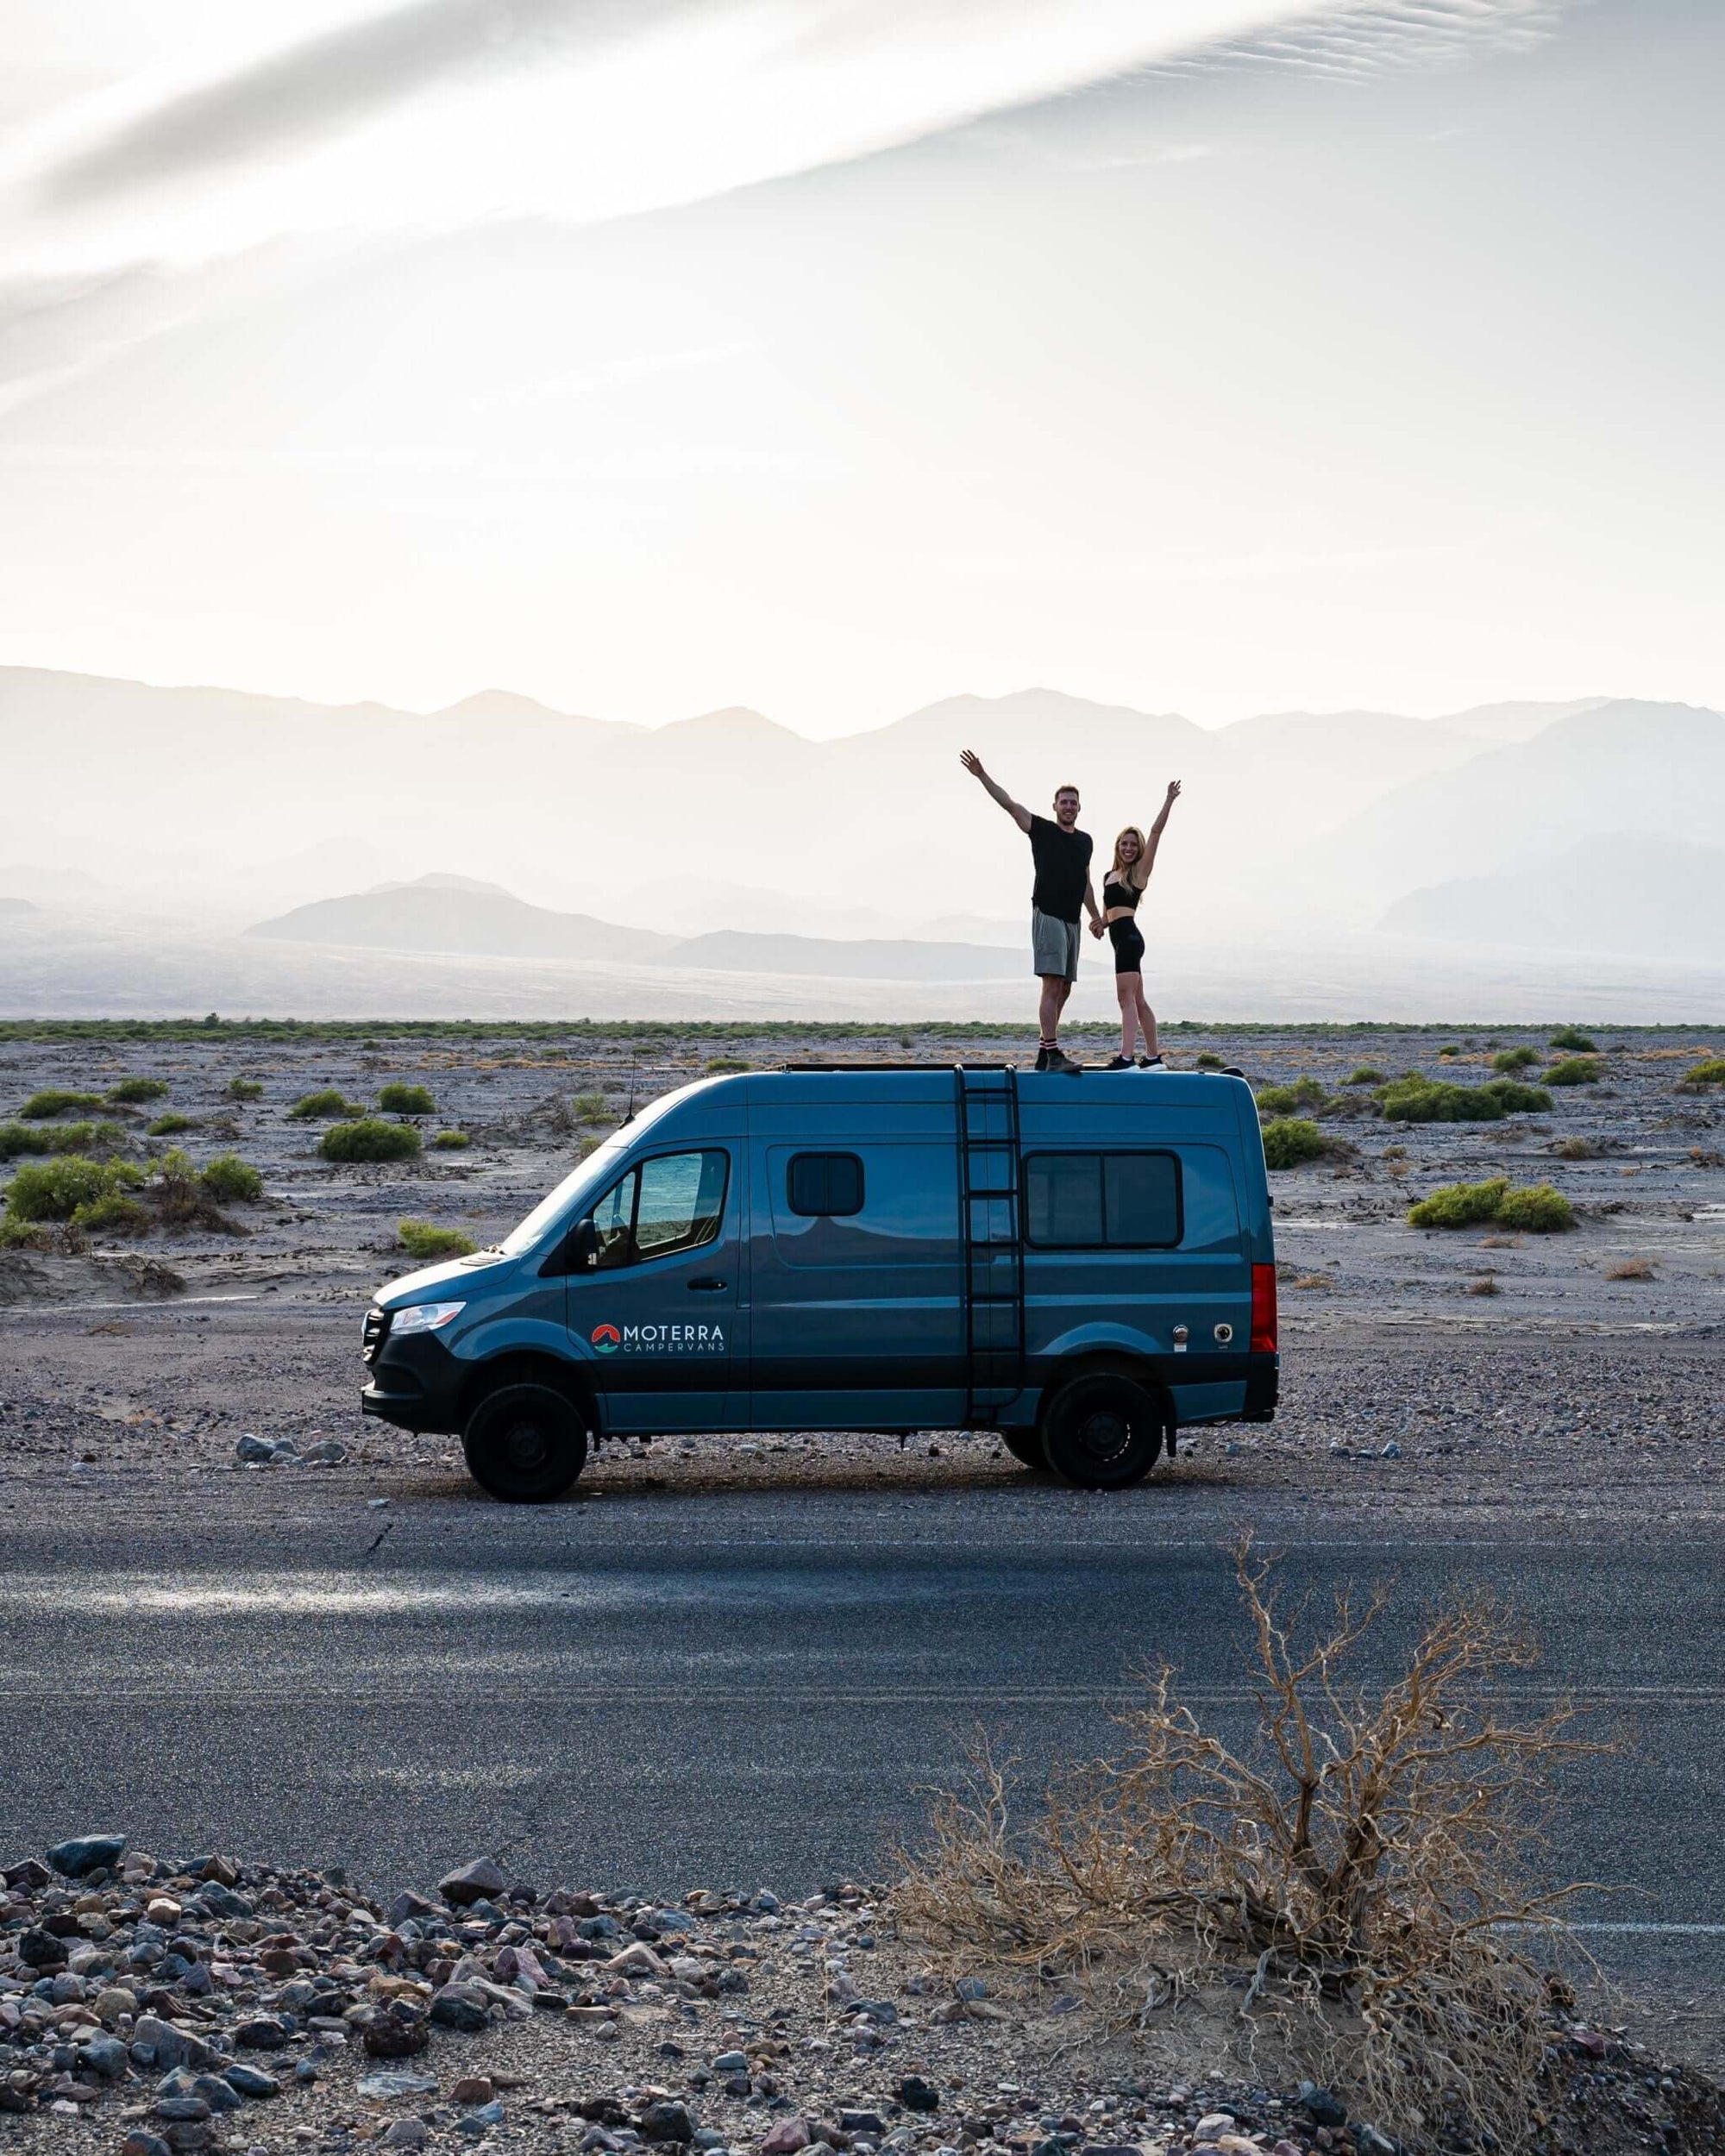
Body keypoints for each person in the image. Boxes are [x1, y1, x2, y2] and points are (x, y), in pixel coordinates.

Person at [959, 750, 1101, 1071]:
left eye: (1073, 802)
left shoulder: (1085, 842)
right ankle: (1052, 1053)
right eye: (1063, 801)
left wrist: (1093, 915)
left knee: (1064, 988)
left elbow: (1086, 882)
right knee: (1051, 984)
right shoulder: (1041, 830)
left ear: (1079, 808)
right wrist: (982, 775)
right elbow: (1009, 804)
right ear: (1055, 806)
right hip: (1048, 914)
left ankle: (1043, 1051)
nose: (1068, 806)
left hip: (1072, 920)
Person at [1091, 780, 1181, 1069]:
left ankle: (1127, 1057)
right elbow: (1108, 914)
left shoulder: (1139, 873)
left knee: (1125, 998)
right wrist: (1100, 924)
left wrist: (1168, 800)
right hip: (1119, 938)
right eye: (1124, 843)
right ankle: (1153, 1057)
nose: (1128, 848)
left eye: (1133, 844)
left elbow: (1155, 832)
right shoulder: (1108, 876)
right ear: (1117, 846)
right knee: (1138, 1000)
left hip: (1129, 938)